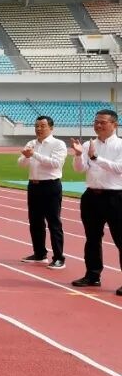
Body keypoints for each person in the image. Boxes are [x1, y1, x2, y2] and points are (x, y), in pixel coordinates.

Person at [70, 109, 122, 296]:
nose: (98, 125)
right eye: (96, 122)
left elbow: (118, 169)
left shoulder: (120, 145)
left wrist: (95, 158)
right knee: (92, 238)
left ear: (114, 124)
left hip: (115, 197)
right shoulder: (88, 144)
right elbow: (79, 169)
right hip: (92, 196)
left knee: (120, 239)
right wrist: (78, 155)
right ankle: (92, 275)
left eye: (103, 122)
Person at [17, 116, 67, 269]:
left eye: (42, 126)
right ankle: (39, 253)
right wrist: (26, 157)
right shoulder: (31, 143)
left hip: (50, 186)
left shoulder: (58, 144)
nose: (39, 129)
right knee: (35, 221)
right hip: (34, 185)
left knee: (53, 223)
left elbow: (55, 164)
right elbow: (21, 164)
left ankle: (59, 257)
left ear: (51, 128)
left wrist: (34, 155)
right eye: (36, 126)